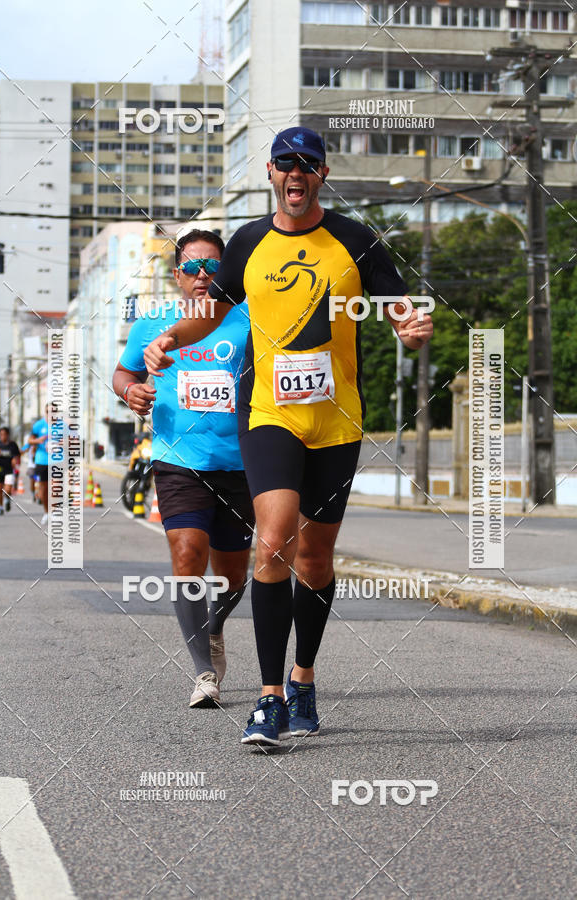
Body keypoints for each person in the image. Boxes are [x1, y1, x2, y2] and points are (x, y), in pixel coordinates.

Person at [144, 127, 434, 747]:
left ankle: (304, 677)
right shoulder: (248, 242)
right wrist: (171, 338)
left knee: (315, 557)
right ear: (272, 174)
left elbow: (397, 309)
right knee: (272, 544)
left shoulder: (356, 240)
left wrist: (410, 329)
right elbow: (211, 313)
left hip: (336, 418)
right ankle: (269, 699)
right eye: (284, 164)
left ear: (322, 174)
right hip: (268, 412)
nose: (295, 174)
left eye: (307, 165)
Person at [113, 229, 254, 709]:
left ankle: (213, 628)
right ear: (177, 275)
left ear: (226, 274)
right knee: (187, 553)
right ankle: (204, 672)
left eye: (212, 267)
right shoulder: (154, 323)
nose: (202, 277)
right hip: (178, 460)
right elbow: (124, 373)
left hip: (242, 463)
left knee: (232, 576)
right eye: (192, 268)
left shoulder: (249, 319)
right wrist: (130, 392)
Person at [0, 426, 21, 516]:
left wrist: (15, 459)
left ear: (8, 435)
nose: (2, 436)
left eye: (4, 434)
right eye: (1, 435)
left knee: (7, 489)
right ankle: (0, 508)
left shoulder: (13, 445)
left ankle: (7, 499)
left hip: (9, 470)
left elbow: (18, 455)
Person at [29, 404, 50, 525]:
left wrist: (64, 443)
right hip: (41, 461)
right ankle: (47, 512)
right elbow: (30, 440)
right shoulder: (38, 425)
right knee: (43, 490)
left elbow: (72, 440)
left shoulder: (61, 425)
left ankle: (55, 512)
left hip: (57, 461)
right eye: (48, 411)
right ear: (45, 411)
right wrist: (39, 440)